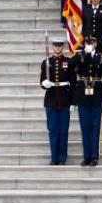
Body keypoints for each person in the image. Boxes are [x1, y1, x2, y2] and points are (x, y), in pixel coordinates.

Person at [70, 36, 102, 166]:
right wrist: (82, 53)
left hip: (97, 95)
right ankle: (86, 156)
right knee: (85, 127)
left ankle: (94, 156)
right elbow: (70, 65)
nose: (89, 44)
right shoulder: (80, 56)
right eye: (87, 42)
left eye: (91, 42)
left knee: (95, 127)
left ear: (96, 43)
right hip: (82, 96)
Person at [40, 37, 74, 165]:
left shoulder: (68, 62)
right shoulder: (46, 62)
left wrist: (73, 101)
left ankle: (62, 157)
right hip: (51, 100)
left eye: (60, 45)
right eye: (56, 45)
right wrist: (45, 83)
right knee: (53, 130)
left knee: (63, 130)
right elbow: (41, 83)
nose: (58, 48)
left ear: (63, 47)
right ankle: (54, 157)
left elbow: (73, 83)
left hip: (65, 99)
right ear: (52, 46)